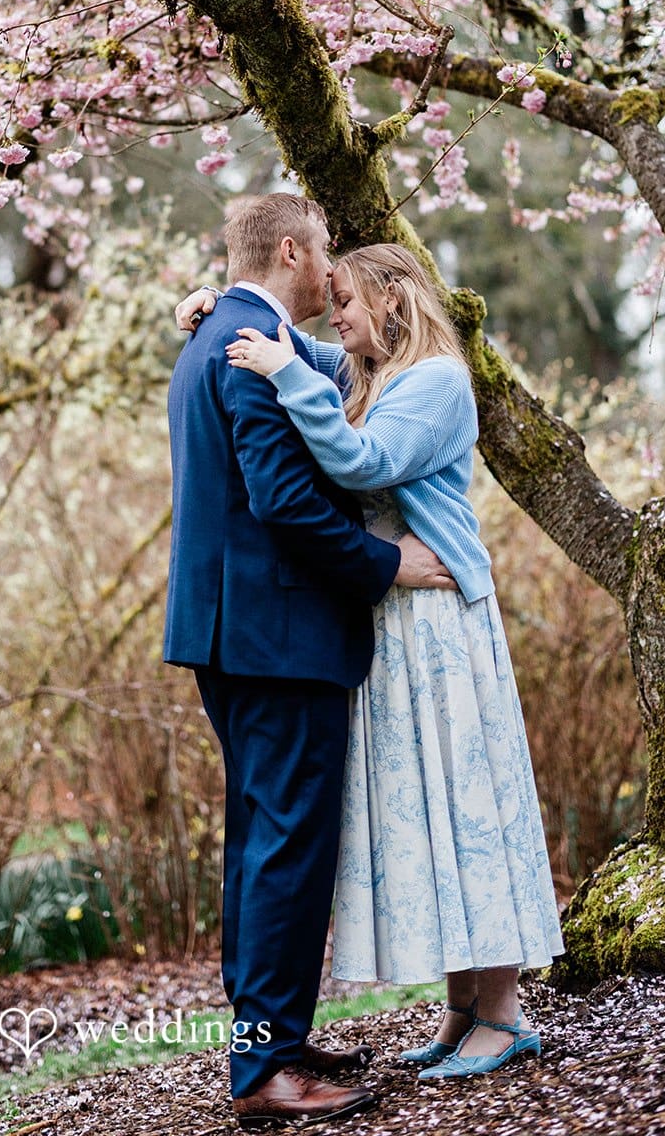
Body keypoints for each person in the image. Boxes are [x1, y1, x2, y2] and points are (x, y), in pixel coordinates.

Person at [184, 240, 563, 1080]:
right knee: (426, 809)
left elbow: (368, 462)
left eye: (349, 300)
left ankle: (503, 1013)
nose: (336, 314)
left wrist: (283, 372)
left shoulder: (434, 384)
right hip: (392, 616)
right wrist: (224, 304)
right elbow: (299, 344)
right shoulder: (368, 372)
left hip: (438, 616)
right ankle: (460, 1011)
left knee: (466, 806)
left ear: (393, 301)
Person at [164, 197, 456, 1129]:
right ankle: (266, 1073)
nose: (328, 274)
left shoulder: (220, 333)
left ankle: (269, 1045)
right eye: (322, 253)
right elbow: (285, 501)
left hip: (232, 631)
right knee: (286, 848)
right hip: (277, 636)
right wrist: (386, 563)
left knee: (262, 846)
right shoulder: (247, 346)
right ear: (289, 247)